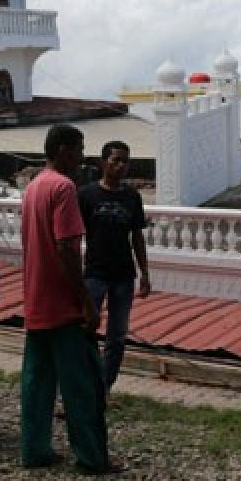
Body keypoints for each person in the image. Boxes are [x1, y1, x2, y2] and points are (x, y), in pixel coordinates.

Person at [19, 124, 112, 473]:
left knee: (37, 382)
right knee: (81, 385)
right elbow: (67, 249)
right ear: (61, 150)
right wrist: (86, 302)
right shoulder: (63, 187)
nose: (81, 156)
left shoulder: (33, 187)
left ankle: (34, 448)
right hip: (62, 303)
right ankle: (91, 457)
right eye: (77, 149)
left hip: (36, 299)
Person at [78, 140, 150, 393]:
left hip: (123, 275)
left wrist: (145, 273)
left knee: (117, 337)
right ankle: (83, 384)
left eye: (125, 161)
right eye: (116, 160)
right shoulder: (86, 195)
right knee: (87, 330)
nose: (121, 166)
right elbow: (73, 236)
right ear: (103, 162)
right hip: (94, 273)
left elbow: (137, 237)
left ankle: (103, 387)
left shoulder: (132, 197)